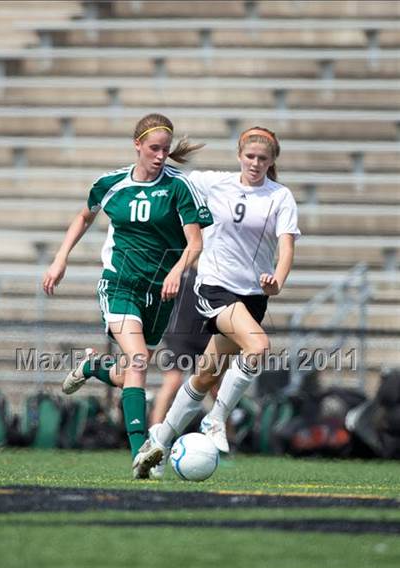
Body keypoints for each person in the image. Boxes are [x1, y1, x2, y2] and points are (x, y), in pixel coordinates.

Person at [42, 113, 213, 479]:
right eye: (153, 148)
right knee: (138, 360)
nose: (160, 155)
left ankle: (91, 366)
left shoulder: (179, 187)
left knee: (130, 372)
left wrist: (176, 269)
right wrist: (60, 258)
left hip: (160, 292)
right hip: (119, 284)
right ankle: (141, 453)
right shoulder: (111, 183)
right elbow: (84, 217)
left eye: (166, 149)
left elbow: (196, 242)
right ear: (137, 145)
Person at [143, 126, 301, 476]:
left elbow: (287, 247)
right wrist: (163, 151)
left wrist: (278, 281)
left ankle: (157, 441)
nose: (255, 163)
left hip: (253, 297)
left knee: (204, 376)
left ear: (272, 161)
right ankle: (216, 419)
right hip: (214, 286)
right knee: (258, 346)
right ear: (239, 156)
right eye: (250, 157)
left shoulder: (280, 197)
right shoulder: (215, 183)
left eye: (263, 158)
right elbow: (170, 173)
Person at [149, 266, 211, 426]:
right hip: (180, 336)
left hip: (208, 336)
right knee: (172, 383)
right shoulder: (180, 269)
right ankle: (153, 431)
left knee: (215, 387)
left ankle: (230, 436)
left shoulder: (213, 268)